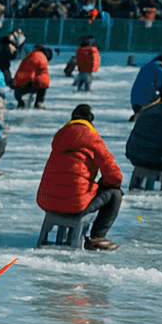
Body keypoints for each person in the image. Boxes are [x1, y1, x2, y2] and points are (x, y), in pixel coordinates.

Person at [38, 104, 123, 250]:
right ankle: (97, 237)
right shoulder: (92, 138)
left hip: (47, 201)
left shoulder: (60, 137)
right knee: (115, 194)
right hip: (74, 203)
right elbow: (114, 175)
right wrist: (104, 184)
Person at [12, 45, 52, 109]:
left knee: (18, 90)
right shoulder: (43, 57)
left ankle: (21, 103)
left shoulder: (33, 55)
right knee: (42, 82)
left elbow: (29, 72)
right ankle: (39, 102)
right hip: (43, 82)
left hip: (30, 81)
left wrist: (18, 83)